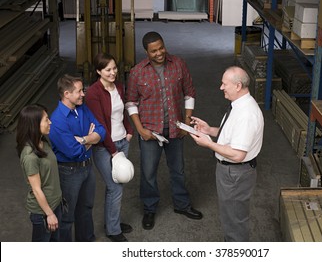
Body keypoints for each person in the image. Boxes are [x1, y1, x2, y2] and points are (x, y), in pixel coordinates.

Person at [125, 31, 202, 230]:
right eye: (154, 51)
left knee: (178, 170)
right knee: (148, 173)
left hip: (176, 129)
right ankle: (150, 209)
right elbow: (131, 102)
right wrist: (140, 129)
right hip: (150, 132)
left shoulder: (178, 64)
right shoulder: (137, 72)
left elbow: (189, 92)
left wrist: (186, 121)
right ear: (146, 52)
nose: (159, 53)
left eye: (161, 48)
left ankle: (182, 205)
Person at [189, 66, 264, 242]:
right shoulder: (238, 106)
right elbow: (232, 136)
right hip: (232, 173)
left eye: (224, 84)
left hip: (235, 174)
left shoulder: (246, 114)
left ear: (238, 86)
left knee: (235, 223)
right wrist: (210, 130)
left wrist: (209, 144)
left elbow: (238, 154)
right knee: (230, 218)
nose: (221, 87)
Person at [49, 74, 106, 242]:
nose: (83, 94)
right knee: (67, 216)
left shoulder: (82, 108)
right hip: (69, 172)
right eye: (79, 91)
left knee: (86, 209)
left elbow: (101, 131)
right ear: (66, 94)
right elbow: (74, 152)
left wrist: (84, 139)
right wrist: (90, 139)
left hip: (87, 167)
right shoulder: (57, 120)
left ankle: (86, 242)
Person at [85, 52, 134, 242]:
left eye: (114, 68)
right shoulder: (93, 93)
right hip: (105, 147)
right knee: (115, 187)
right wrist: (114, 152)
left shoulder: (119, 87)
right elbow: (101, 125)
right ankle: (113, 230)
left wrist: (129, 131)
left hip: (122, 140)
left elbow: (122, 113)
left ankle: (112, 221)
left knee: (117, 185)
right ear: (98, 71)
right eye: (108, 70)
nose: (113, 72)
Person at [16, 104, 62, 242]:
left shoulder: (42, 142)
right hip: (43, 212)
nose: (50, 122)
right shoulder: (30, 156)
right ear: (34, 125)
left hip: (55, 204)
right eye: (46, 119)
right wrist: (49, 214)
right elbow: (36, 190)